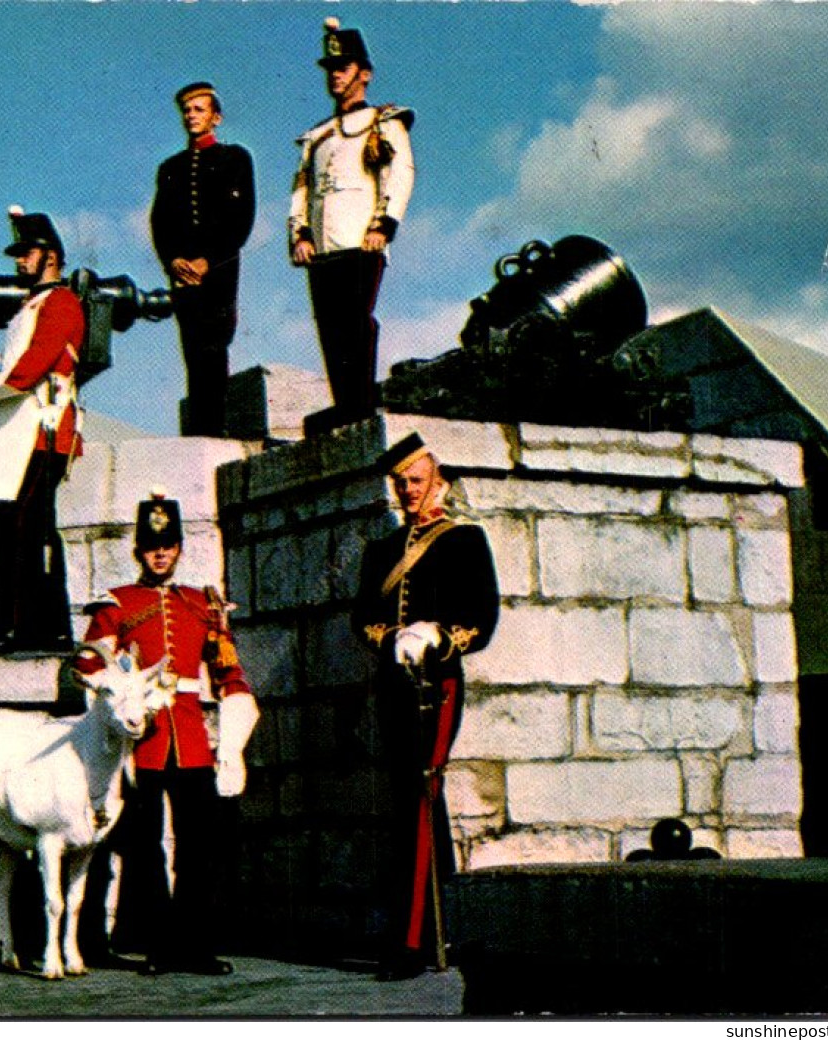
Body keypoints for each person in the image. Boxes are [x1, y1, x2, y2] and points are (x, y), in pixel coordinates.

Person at [72, 488, 260, 976]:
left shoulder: (201, 605)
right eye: (152, 545)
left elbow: (228, 671)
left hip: (192, 739)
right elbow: (89, 665)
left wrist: (233, 743)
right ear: (139, 550)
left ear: (178, 549)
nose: (161, 554)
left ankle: (194, 945)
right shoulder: (119, 603)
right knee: (143, 847)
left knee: (200, 848)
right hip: (143, 745)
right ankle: (157, 944)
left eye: (169, 545)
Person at [353, 434, 498, 981]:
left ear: (437, 482)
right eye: (400, 482)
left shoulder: (464, 540)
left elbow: (483, 617)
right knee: (412, 801)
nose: (408, 491)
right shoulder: (382, 551)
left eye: (417, 480)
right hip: (395, 685)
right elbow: (362, 617)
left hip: (437, 686)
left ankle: (408, 942)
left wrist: (439, 636)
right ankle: (443, 928)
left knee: (420, 794)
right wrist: (389, 636)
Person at [0, 207, 84, 653]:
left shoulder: (62, 303)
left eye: (26, 253)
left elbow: (27, 372)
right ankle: (19, 623)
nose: (19, 261)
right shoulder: (30, 306)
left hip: (44, 430)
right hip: (18, 433)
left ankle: (42, 627)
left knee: (33, 531)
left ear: (50, 256)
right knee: (15, 531)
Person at [289, 20, 415, 428]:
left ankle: (359, 404)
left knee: (355, 323)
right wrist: (300, 233)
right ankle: (344, 404)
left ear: (365, 73)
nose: (335, 76)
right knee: (329, 329)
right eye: (331, 69)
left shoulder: (384, 122)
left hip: (361, 242)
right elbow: (303, 190)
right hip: (323, 247)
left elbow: (400, 174)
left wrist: (384, 225)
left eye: (343, 67)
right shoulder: (318, 136)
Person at [150, 81, 255, 438]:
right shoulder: (170, 167)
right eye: (187, 110)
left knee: (214, 346)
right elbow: (159, 221)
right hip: (182, 274)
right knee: (191, 349)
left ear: (216, 117)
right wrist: (173, 260)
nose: (191, 116)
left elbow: (241, 217)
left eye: (199, 109)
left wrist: (209, 260)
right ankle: (199, 429)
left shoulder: (234, 158)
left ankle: (213, 428)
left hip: (219, 271)